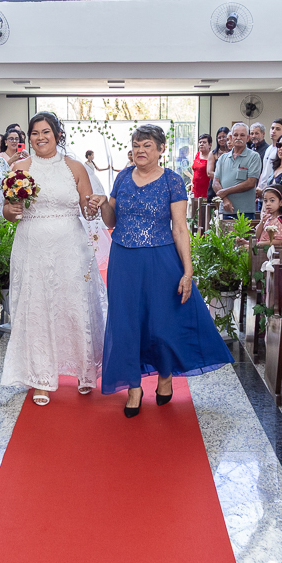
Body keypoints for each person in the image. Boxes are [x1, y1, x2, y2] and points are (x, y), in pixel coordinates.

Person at [96, 124, 230, 416]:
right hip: (124, 260)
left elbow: (180, 228)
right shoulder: (122, 177)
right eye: (136, 145)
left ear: (161, 149)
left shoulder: (172, 180)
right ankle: (133, 387)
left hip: (161, 259)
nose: (140, 151)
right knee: (126, 323)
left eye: (147, 145)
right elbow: (110, 220)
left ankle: (165, 375)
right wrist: (103, 203)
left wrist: (187, 271)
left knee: (162, 323)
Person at [2, 111, 107, 404]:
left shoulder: (75, 167)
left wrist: (93, 207)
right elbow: (7, 210)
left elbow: (87, 209)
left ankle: (84, 372)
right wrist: (12, 211)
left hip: (70, 246)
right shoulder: (19, 168)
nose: (40, 138)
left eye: (46, 132)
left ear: (57, 134)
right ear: (29, 138)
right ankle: (40, 378)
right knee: (36, 307)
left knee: (73, 305)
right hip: (32, 245)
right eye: (35, 133)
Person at [212, 122, 262, 219]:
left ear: (248, 138)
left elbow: (250, 183)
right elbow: (215, 182)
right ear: (231, 137)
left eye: (242, 135)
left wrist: (225, 191)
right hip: (225, 210)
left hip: (245, 212)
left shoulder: (254, 157)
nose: (238, 138)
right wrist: (225, 199)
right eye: (235, 135)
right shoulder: (223, 158)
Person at [206, 126, 231, 201]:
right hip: (214, 187)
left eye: (224, 137)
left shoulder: (233, 153)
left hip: (230, 187)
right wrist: (224, 178)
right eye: (219, 137)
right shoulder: (213, 153)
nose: (222, 139)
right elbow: (209, 173)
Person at [191, 133, 212, 200]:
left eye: (204, 142)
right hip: (195, 190)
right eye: (200, 142)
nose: (201, 144)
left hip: (206, 191)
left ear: (210, 144)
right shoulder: (198, 154)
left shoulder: (212, 156)